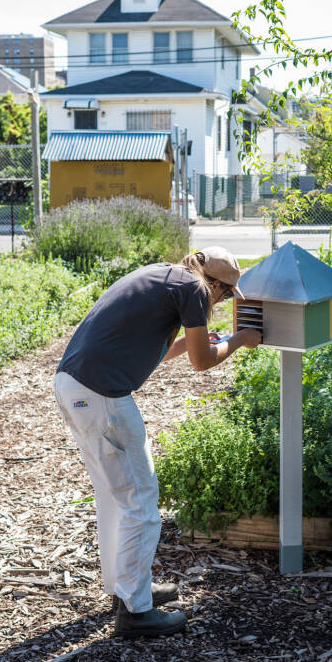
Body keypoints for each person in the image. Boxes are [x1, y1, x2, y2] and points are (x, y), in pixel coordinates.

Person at [54, 246, 261, 639]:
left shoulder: (163, 275)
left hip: (73, 386)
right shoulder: (195, 289)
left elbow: (152, 350)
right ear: (213, 283)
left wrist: (198, 342)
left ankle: (124, 590)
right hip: (103, 397)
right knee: (142, 501)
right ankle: (136, 612)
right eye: (225, 293)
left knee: (114, 495)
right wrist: (239, 340)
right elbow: (203, 363)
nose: (221, 301)